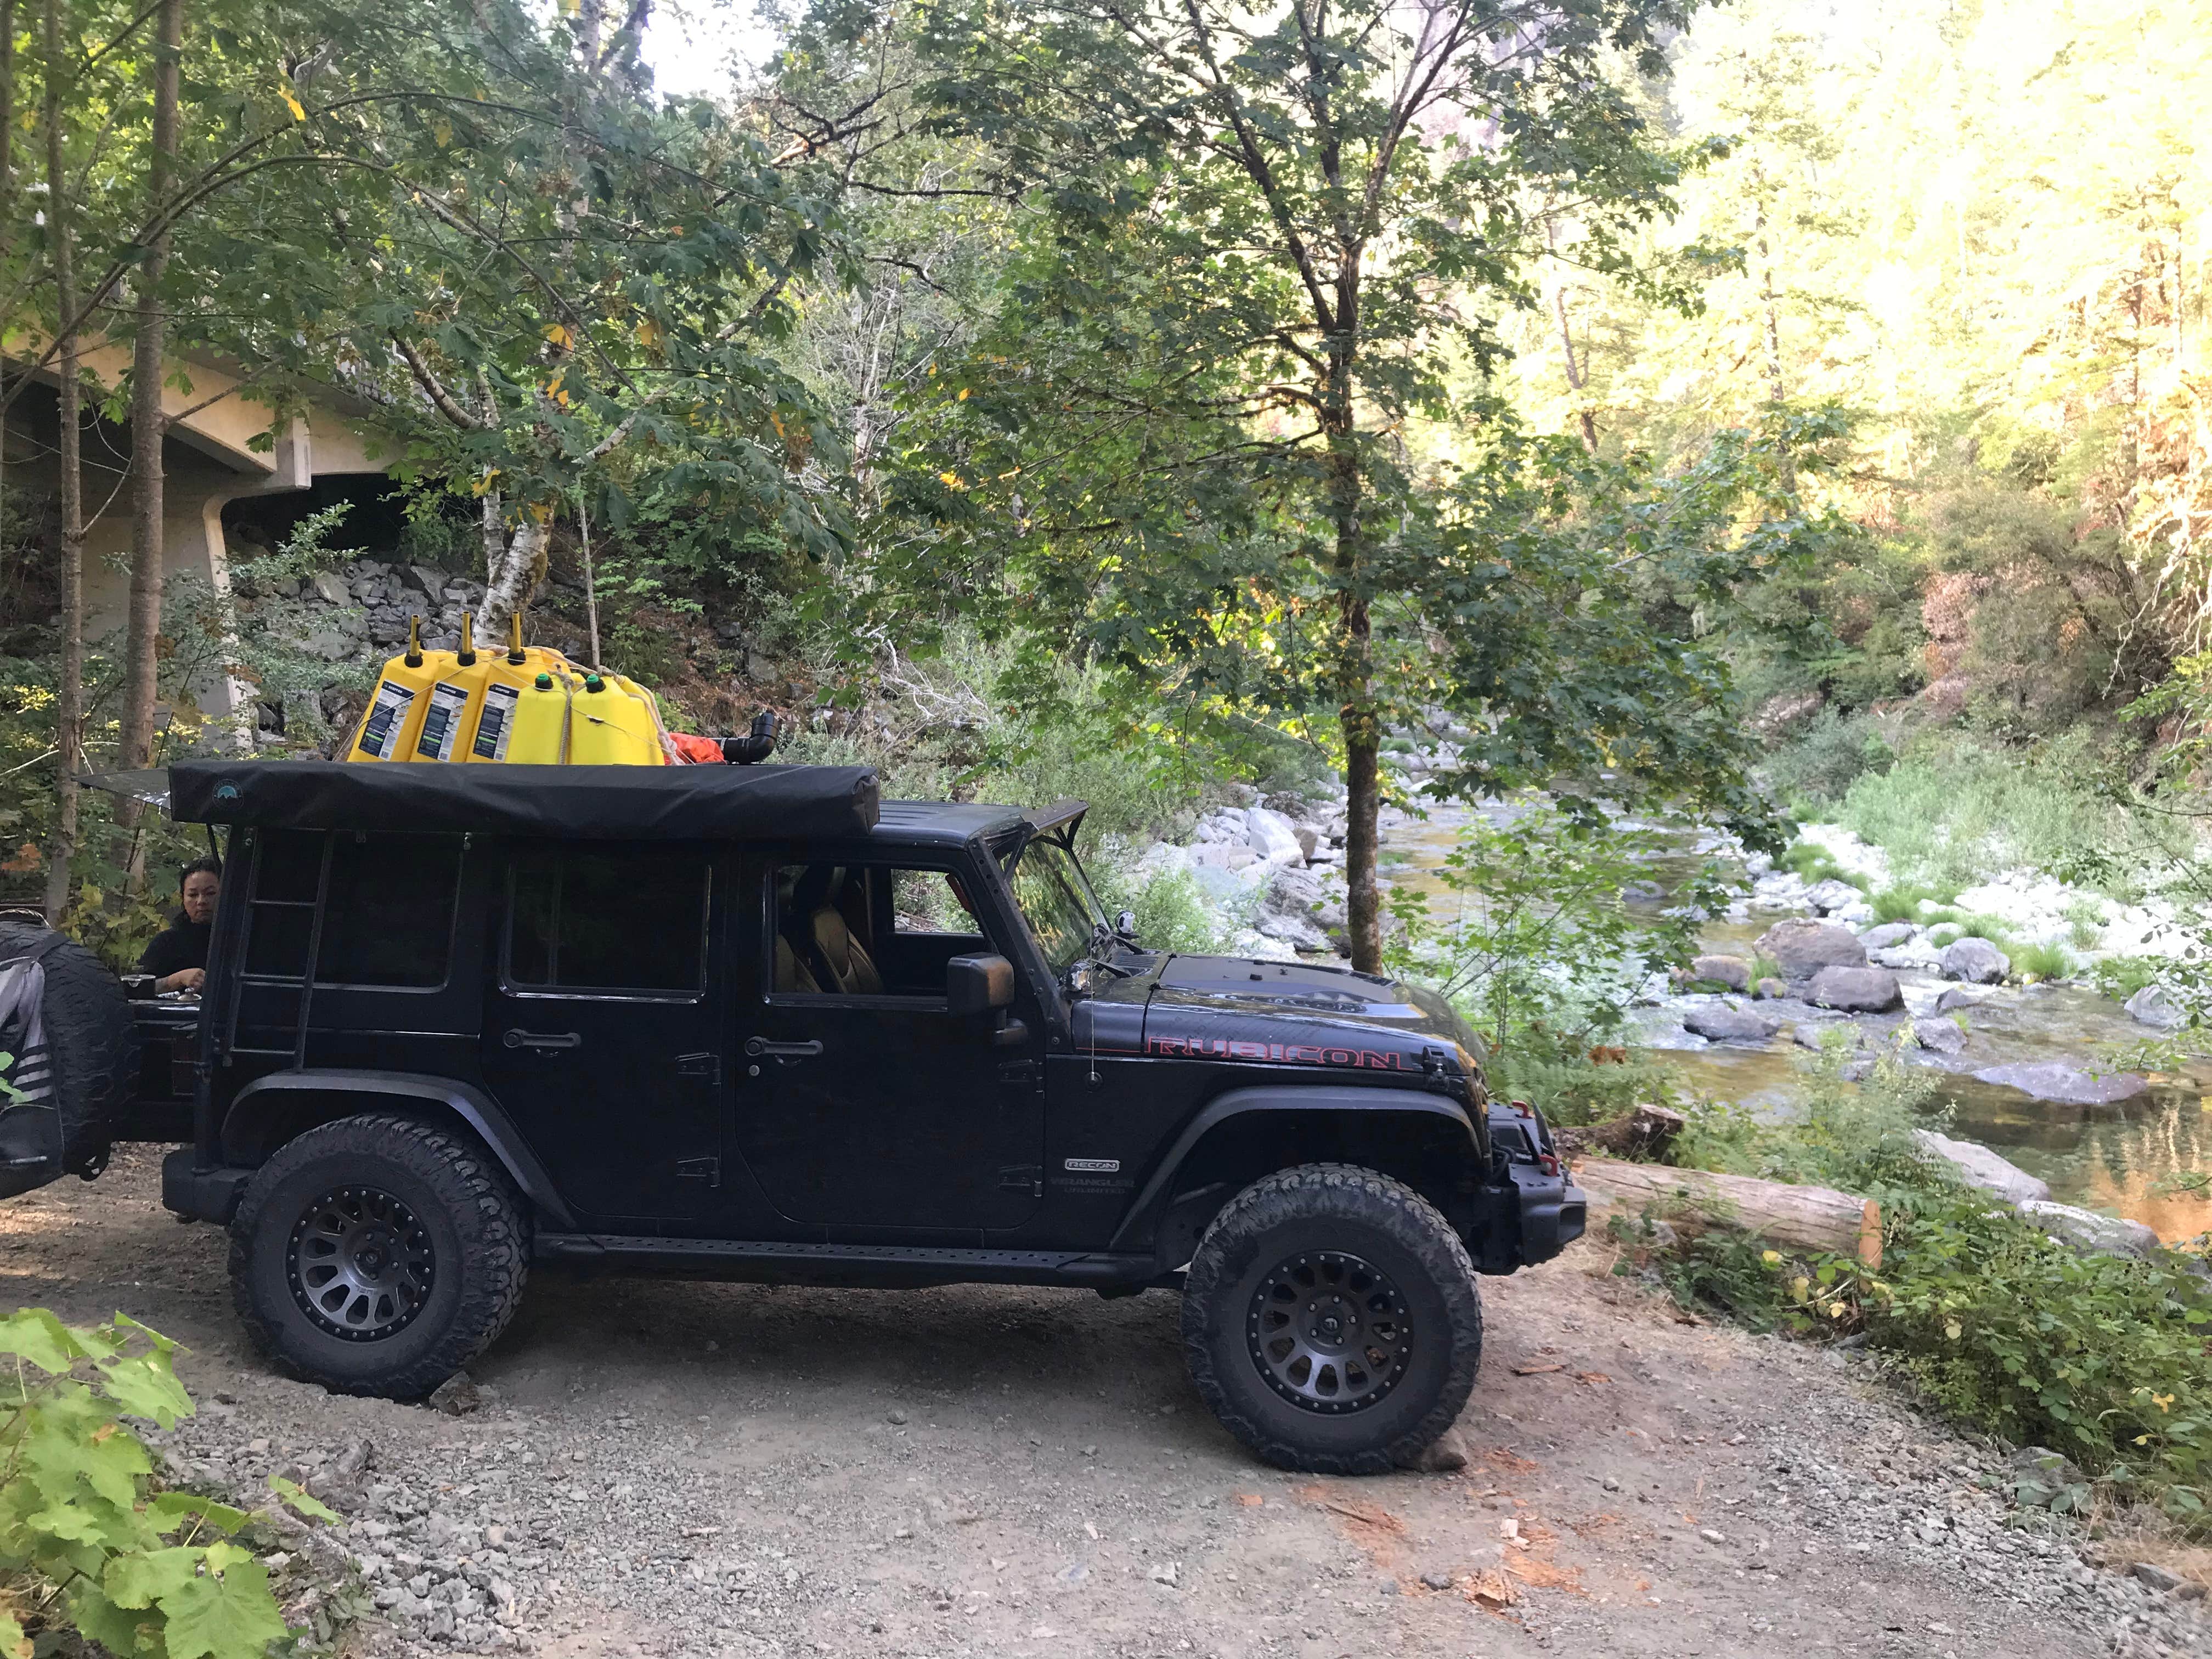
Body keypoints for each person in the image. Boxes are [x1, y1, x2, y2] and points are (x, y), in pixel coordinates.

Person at [139, 857, 220, 994]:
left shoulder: (243, 939)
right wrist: (176, 980)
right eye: (193, 895)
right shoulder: (166, 942)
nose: (201, 901)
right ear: (183, 898)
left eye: (210, 893)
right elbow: (136, 988)